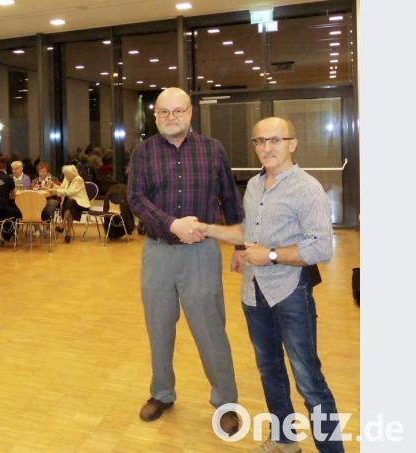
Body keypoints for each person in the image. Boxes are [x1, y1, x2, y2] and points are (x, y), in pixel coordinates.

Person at [198, 117, 342, 453]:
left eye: (275, 140)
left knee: (308, 380)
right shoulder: (253, 186)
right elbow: (249, 235)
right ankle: (285, 440)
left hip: (291, 292)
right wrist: (206, 228)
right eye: (260, 141)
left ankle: (332, 449)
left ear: (292, 144)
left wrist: (272, 255)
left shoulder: (307, 189)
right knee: (269, 369)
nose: (267, 148)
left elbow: (321, 247)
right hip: (253, 293)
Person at [125, 87, 243, 434]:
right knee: (159, 328)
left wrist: (240, 248)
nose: (170, 117)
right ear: (156, 116)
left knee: (210, 330)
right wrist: (172, 224)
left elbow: (230, 199)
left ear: (190, 113)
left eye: (177, 111)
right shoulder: (144, 153)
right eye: (164, 112)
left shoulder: (213, 150)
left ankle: (227, 402)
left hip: (201, 254)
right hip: (158, 253)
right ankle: (161, 393)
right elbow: (136, 199)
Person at [51, 165, 91, 243]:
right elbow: (62, 188)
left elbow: (70, 192)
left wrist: (56, 191)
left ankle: (62, 224)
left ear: (73, 173)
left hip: (81, 203)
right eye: (65, 174)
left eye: (67, 174)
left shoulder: (78, 179)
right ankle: (68, 233)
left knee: (70, 203)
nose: (65, 176)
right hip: (71, 204)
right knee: (70, 206)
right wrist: (53, 187)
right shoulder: (66, 179)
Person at [0, 157, 21, 240]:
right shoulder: (8, 178)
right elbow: (13, 195)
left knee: (9, 212)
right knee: (19, 212)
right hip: (2, 209)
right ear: (6, 167)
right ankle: (7, 235)